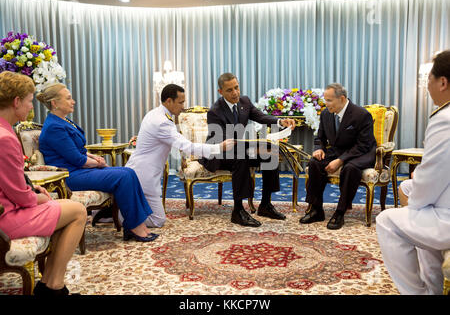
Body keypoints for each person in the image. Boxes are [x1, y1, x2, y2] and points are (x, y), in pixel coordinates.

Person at [0, 71, 86, 295]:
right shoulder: (5, 139)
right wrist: (38, 196)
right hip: (5, 218)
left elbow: (10, 184)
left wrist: (32, 190)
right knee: (78, 211)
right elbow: (20, 197)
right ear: (16, 101)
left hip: (6, 208)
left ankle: (49, 284)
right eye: (29, 101)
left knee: (63, 209)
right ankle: (54, 287)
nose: (31, 107)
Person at [37, 83, 157, 242]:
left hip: (80, 170)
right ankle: (135, 227)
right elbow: (78, 160)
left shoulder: (63, 122)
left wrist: (94, 158)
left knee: (128, 172)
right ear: (55, 103)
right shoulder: (54, 127)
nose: (73, 101)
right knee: (123, 177)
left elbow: (79, 150)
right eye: (68, 98)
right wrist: (98, 163)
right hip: (70, 175)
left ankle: (136, 224)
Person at [376, 50, 450, 295]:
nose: (427, 85)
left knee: (387, 221)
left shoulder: (445, 118)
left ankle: (419, 292)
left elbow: (430, 178)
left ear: (443, 82)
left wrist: (416, 202)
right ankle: (433, 283)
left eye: (429, 78)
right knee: (410, 190)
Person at [125, 84, 234, 228]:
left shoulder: (154, 113)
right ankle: (120, 217)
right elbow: (188, 147)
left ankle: (115, 213)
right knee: (158, 220)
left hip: (139, 171)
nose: (183, 107)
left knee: (148, 213)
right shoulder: (162, 122)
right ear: (169, 101)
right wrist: (219, 147)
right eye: (181, 102)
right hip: (144, 176)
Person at [199, 73, 296, 227]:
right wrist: (254, 148)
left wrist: (281, 121)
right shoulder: (215, 111)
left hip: (240, 148)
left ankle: (265, 205)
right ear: (220, 92)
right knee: (241, 157)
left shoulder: (244, 101)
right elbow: (227, 142)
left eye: (236, 87)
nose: (235, 93)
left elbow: (261, 117)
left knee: (269, 155)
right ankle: (238, 211)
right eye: (229, 90)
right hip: (218, 153)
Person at [299, 83, 377, 230]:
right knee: (314, 162)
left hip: (361, 153)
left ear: (341, 98)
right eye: (325, 100)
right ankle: (316, 209)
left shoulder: (361, 115)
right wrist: (319, 149)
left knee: (350, 168)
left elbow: (363, 145)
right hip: (337, 151)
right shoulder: (326, 114)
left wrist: (340, 161)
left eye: (329, 100)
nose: (325, 103)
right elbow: (319, 137)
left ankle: (340, 212)